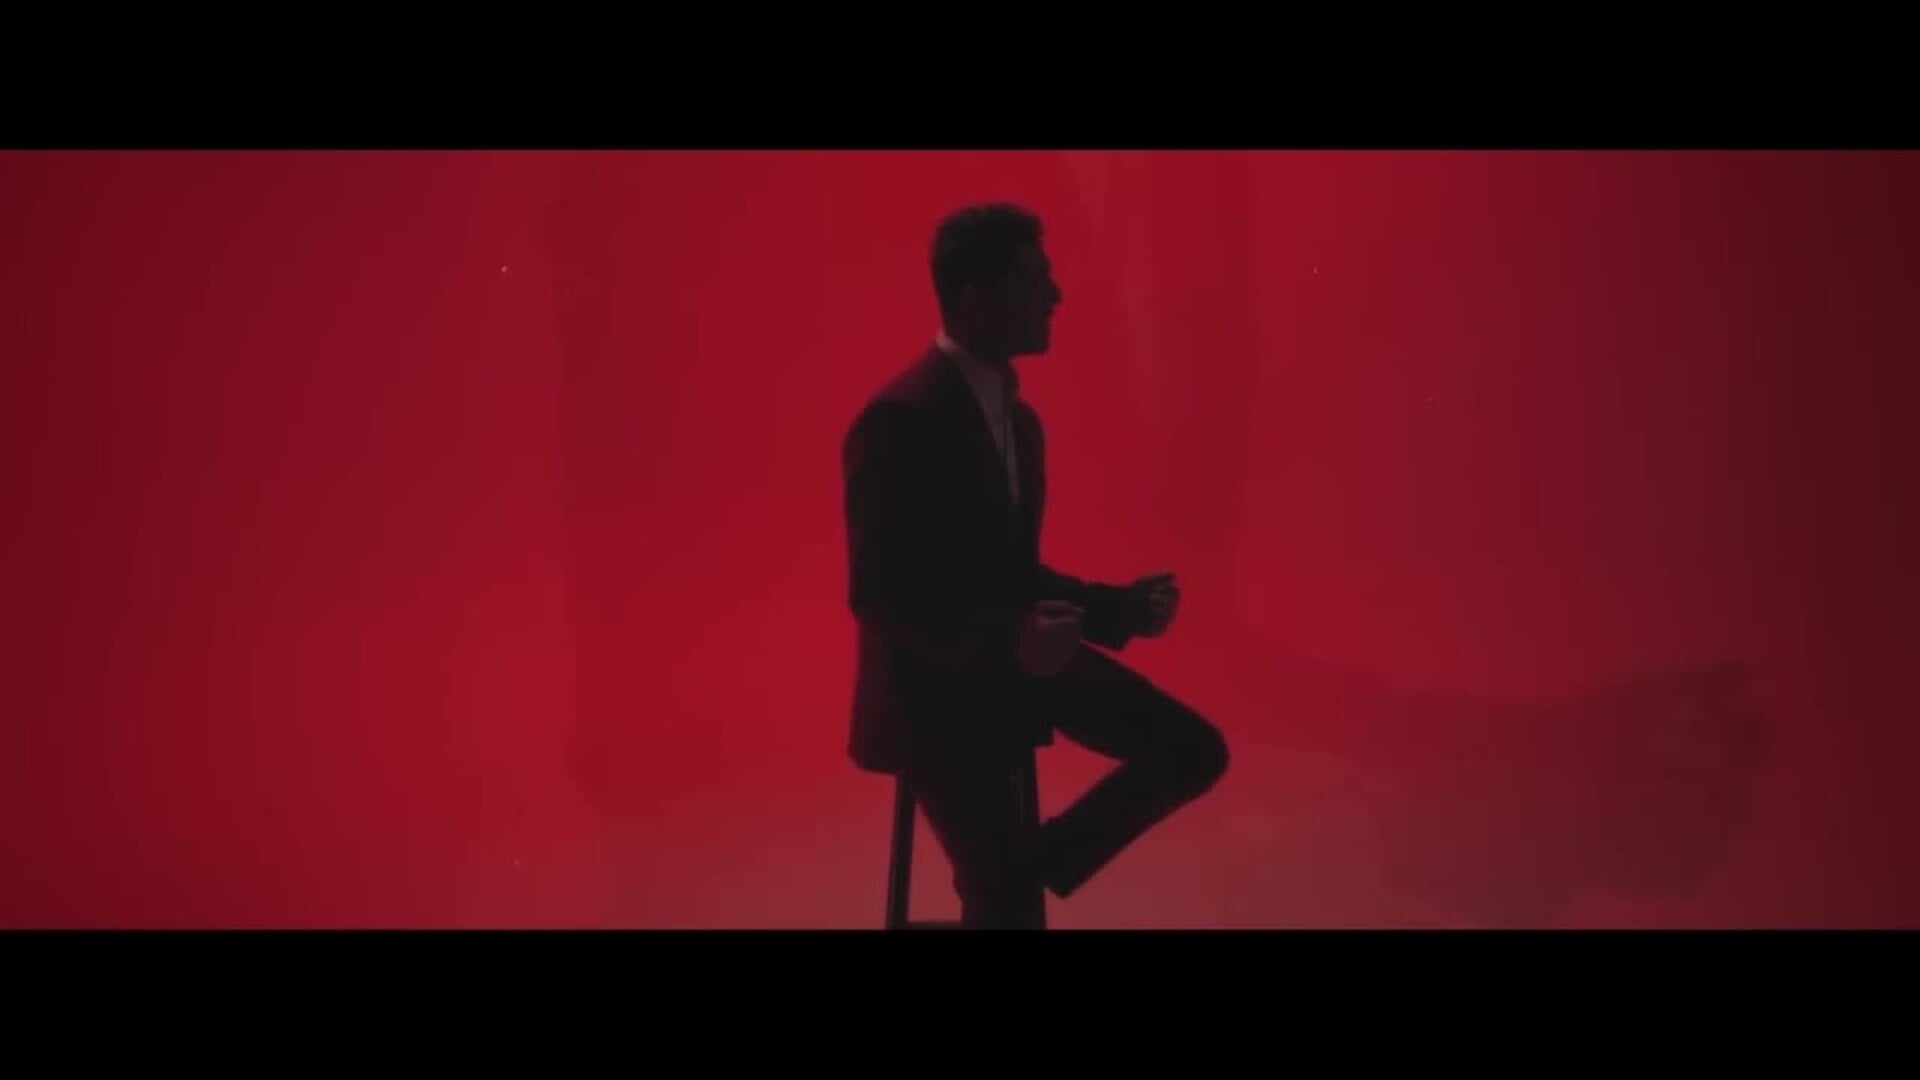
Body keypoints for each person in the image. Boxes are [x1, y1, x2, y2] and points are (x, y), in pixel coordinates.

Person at [840, 202, 1229, 928]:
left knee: (1193, 751)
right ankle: (1014, 879)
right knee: (1005, 906)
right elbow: (880, 594)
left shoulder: (1018, 420)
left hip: (1013, 666)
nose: (1055, 297)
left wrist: (1115, 608)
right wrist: (1008, 644)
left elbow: (1012, 571)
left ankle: (1033, 863)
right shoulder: (899, 417)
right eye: (1034, 281)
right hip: (932, 695)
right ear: (975, 299)